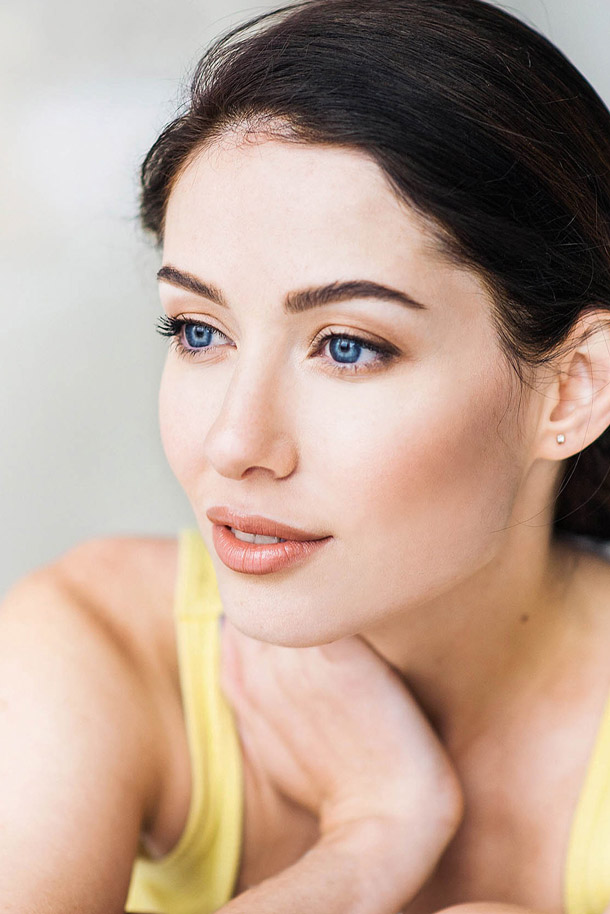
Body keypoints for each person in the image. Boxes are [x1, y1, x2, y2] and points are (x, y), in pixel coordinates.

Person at [2, 0, 610, 911]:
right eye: (199, 331)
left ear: (572, 389)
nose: (235, 444)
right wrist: (373, 835)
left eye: (349, 346)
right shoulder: (94, 652)